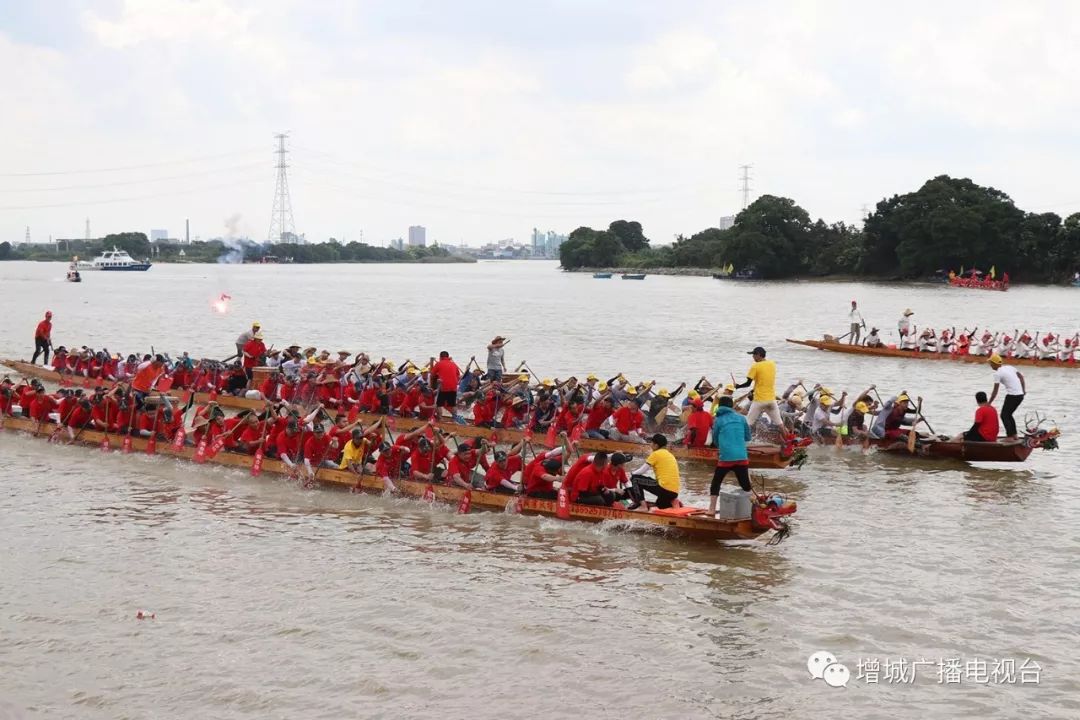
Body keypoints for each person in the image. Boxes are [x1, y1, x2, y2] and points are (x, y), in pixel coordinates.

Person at [708, 396, 752, 515]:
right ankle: (754, 507)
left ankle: (711, 509)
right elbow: (748, 437)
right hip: (742, 456)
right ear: (731, 406)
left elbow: (716, 440)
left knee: (716, 482)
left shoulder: (718, 420)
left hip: (726, 457)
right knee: (746, 484)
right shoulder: (741, 418)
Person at [735, 346, 784, 431]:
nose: (752, 357)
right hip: (772, 399)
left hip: (760, 400)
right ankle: (789, 440)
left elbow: (748, 384)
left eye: (753, 354)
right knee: (779, 423)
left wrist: (738, 386)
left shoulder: (755, 366)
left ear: (758, 355)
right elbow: (764, 380)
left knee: (748, 422)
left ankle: (741, 440)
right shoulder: (772, 364)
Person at [626, 434, 680, 510]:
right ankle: (674, 501)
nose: (650, 445)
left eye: (652, 443)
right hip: (674, 492)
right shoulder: (670, 455)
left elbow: (642, 471)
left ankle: (643, 506)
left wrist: (631, 474)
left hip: (664, 489)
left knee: (635, 478)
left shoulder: (656, 454)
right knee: (660, 505)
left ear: (656, 445)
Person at [988, 354, 1025, 440]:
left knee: (1004, 415)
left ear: (995, 364)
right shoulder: (1009, 367)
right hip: (1020, 396)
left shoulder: (997, 374)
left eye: (991, 363)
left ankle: (1010, 437)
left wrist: (989, 403)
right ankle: (1014, 435)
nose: (990, 365)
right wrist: (1023, 390)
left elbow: (995, 391)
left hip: (1013, 396)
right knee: (1008, 415)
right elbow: (1021, 377)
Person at [431, 350, 461, 418]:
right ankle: (455, 418)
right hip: (454, 387)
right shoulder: (453, 364)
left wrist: (433, 384)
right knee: (452, 404)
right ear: (448, 357)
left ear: (440, 357)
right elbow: (458, 375)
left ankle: (440, 418)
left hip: (443, 386)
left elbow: (432, 375)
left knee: (439, 404)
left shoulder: (439, 363)